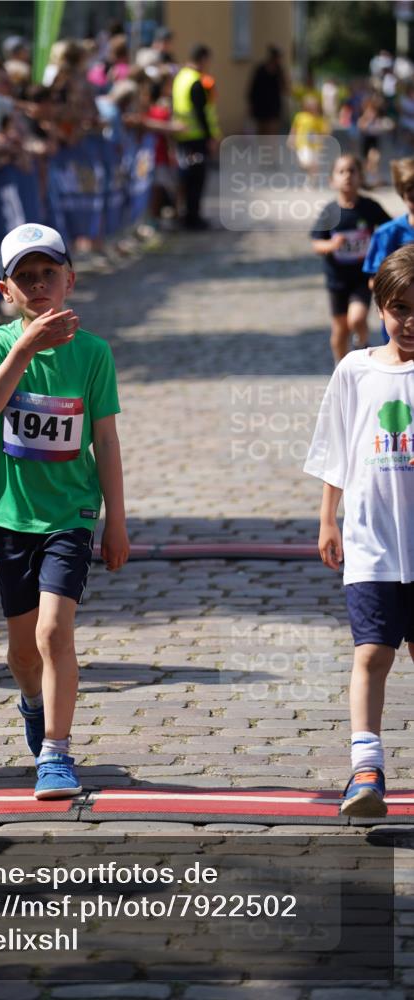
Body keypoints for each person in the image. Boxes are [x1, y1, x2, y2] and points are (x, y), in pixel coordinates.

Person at [0, 223, 129, 799]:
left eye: (48, 273)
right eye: (25, 277)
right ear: (6, 289)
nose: (38, 285)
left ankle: (57, 754)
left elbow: (105, 442)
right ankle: (34, 705)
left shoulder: (93, 354)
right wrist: (24, 347)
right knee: (21, 652)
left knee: (53, 631)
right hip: (12, 514)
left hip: (72, 513)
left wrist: (117, 519)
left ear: (70, 279)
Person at [304, 242, 414, 817]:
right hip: (372, 545)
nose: (410, 320)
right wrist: (329, 517)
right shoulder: (355, 369)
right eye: (400, 308)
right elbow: (337, 450)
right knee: (371, 652)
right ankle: (365, 767)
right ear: (379, 307)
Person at [310, 153, 390, 363]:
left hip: (362, 277)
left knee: (357, 319)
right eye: (341, 171)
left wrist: (380, 251)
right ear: (332, 179)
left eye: (352, 171)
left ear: (360, 177)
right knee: (339, 330)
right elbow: (316, 243)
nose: (347, 176)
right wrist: (331, 245)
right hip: (336, 279)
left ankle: (361, 348)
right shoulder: (329, 212)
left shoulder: (370, 207)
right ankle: (340, 370)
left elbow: (389, 229)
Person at [363, 157, 414, 342]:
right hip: (400, 327)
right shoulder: (387, 234)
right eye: (411, 193)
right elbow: (374, 281)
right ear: (402, 194)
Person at [172, 44, 221, 230]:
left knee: (186, 178)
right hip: (196, 137)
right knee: (196, 180)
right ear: (202, 59)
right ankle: (193, 218)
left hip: (183, 136)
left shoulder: (180, 77)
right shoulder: (195, 81)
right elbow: (201, 112)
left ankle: (186, 215)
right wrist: (210, 137)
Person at [247, 45, 286, 135]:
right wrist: (251, 105)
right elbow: (253, 88)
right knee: (261, 133)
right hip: (261, 107)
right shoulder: (260, 70)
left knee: (271, 133)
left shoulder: (279, 71)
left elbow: (284, 88)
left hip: (273, 109)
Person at [288, 94, 330, 175]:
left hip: (316, 145)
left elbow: (325, 131)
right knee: (305, 162)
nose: (313, 108)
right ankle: (306, 168)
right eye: (311, 106)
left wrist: (322, 136)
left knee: (315, 163)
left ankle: (312, 181)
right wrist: (291, 138)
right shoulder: (300, 116)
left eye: (315, 106)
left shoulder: (319, 119)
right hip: (302, 144)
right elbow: (294, 128)